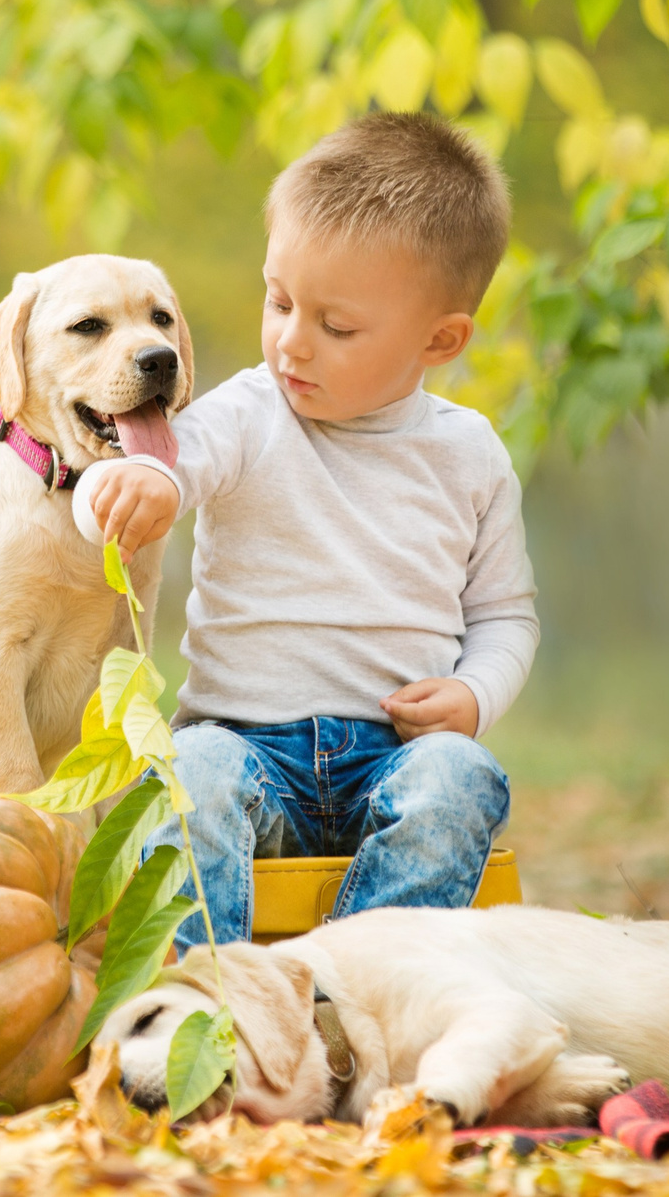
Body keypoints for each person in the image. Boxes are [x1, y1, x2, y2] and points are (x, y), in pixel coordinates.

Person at [81, 112, 538, 946]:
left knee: (464, 779)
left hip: (392, 762)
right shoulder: (251, 414)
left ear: (440, 339)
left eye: (336, 326)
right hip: (246, 752)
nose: (291, 341)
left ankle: (353, 986)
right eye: (279, 299)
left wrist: (475, 694)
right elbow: (168, 463)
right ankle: (199, 1003)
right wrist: (136, 483)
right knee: (187, 780)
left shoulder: (469, 455)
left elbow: (506, 615)